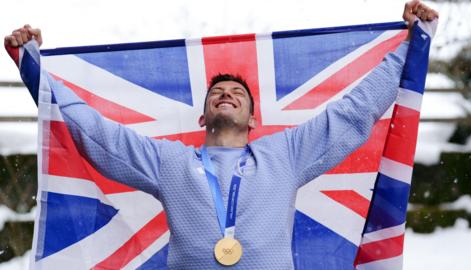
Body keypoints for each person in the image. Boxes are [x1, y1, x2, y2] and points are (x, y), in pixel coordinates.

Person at [4, 1, 438, 269]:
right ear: (202, 117)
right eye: (218, 92)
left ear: (253, 120)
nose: (226, 95)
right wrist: (32, 66)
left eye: (237, 93)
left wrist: (412, 44)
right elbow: (93, 132)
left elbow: (352, 113)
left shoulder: (285, 154)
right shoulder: (170, 163)